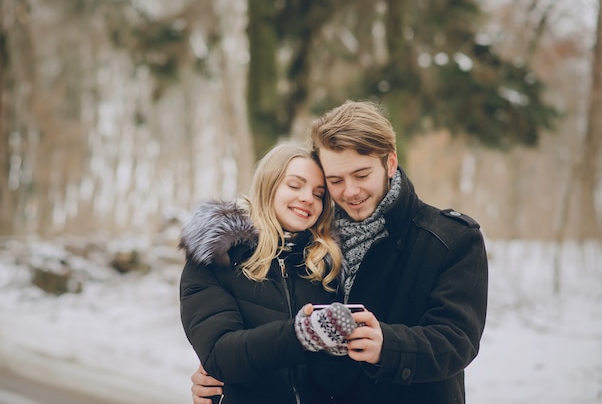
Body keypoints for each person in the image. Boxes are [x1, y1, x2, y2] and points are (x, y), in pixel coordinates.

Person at [190, 100, 489, 404]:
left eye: (361, 175)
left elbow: (458, 340)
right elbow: (281, 330)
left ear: (390, 162)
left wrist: (390, 346)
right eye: (334, 181)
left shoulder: (451, 238)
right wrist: (221, 378)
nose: (350, 191)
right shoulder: (314, 243)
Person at [179, 143, 360, 404]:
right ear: (268, 185)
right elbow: (220, 356)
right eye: (295, 185)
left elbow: (338, 383)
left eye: (319, 194)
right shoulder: (215, 258)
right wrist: (300, 335)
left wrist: (338, 354)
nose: (308, 198)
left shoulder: (326, 266)